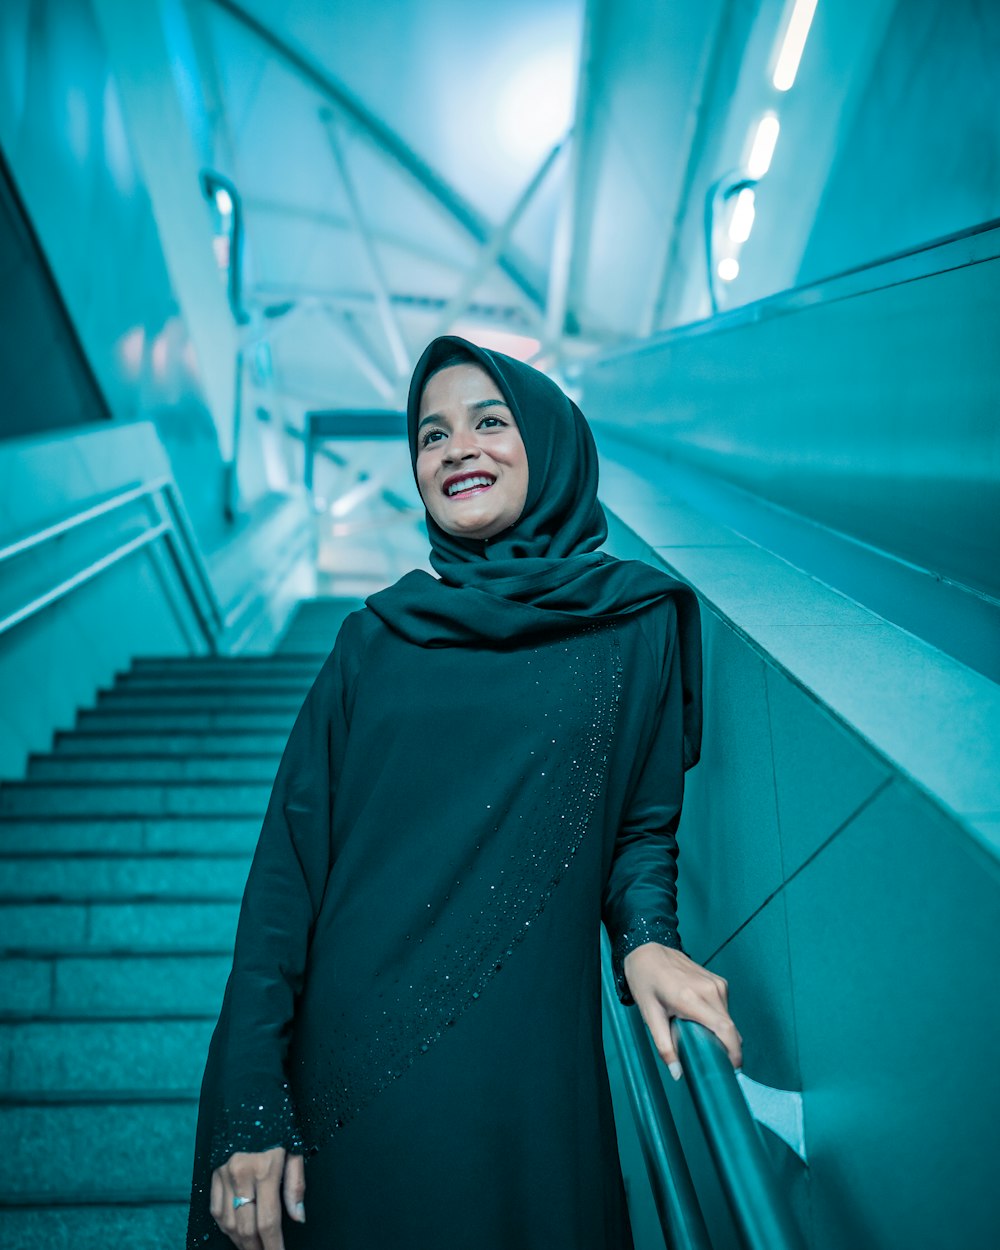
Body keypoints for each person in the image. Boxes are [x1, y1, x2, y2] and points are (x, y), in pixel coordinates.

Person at [185, 335, 742, 1250]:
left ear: (552, 440)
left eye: (490, 421)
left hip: (525, 1071)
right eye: (431, 435)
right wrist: (251, 1100)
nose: (457, 449)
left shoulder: (637, 620)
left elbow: (642, 829)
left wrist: (648, 939)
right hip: (349, 1073)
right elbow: (285, 884)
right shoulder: (374, 641)